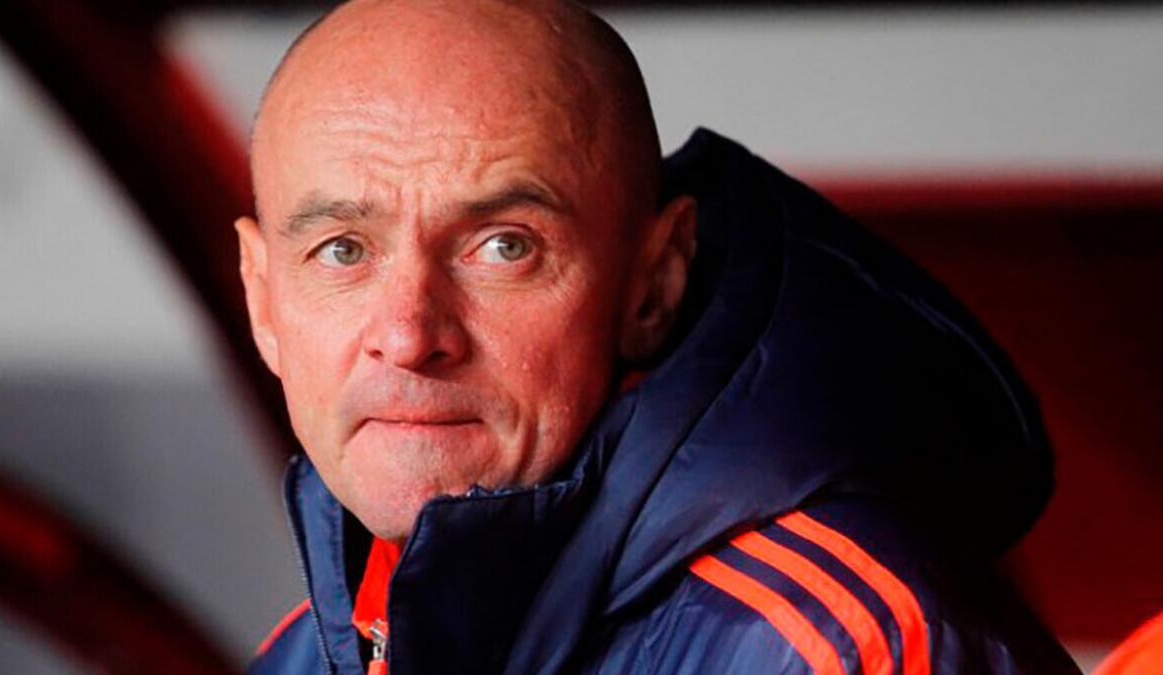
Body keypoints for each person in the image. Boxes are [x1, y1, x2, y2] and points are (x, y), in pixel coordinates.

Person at [237, 1, 1080, 673]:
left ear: (655, 284)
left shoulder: (842, 649)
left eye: (504, 247)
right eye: (341, 250)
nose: (408, 334)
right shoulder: (307, 651)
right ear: (264, 300)